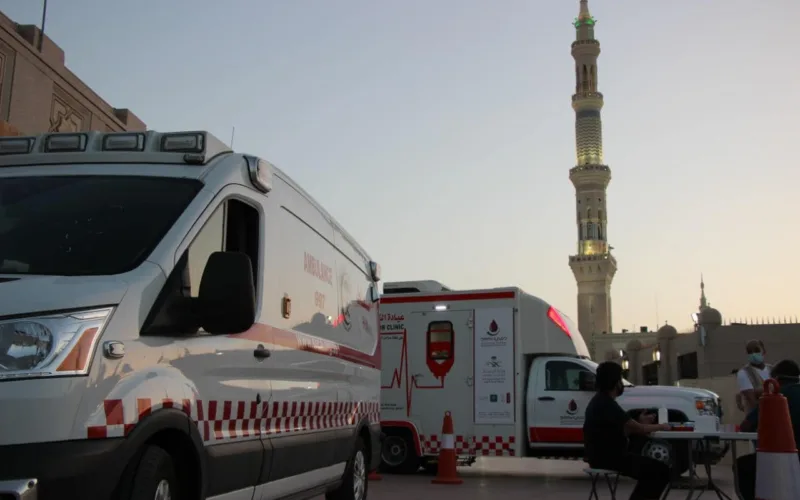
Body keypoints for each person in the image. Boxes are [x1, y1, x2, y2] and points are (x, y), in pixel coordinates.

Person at [583, 361, 672, 500]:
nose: (621, 384)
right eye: (619, 379)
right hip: (609, 458)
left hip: (602, 456)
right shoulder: (606, 404)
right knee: (660, 471)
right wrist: (663, 426)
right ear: (615, 382)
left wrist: (640, 422)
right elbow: (640, 429)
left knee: (654, 470)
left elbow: (626, 427)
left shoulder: (600, 401)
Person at [735, 359, 800, 500]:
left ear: (775, 378)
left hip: (782, 460)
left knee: (742, 466)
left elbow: (746, 426)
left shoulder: (775, 398)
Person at [735, 340, 772, 414]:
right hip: (756, 418)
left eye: (756, 350)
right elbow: (752, 400)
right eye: (750, 352)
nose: (753, 354)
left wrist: (758, 392)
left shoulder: (773, 369)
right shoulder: (744, 373)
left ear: (764, 351)